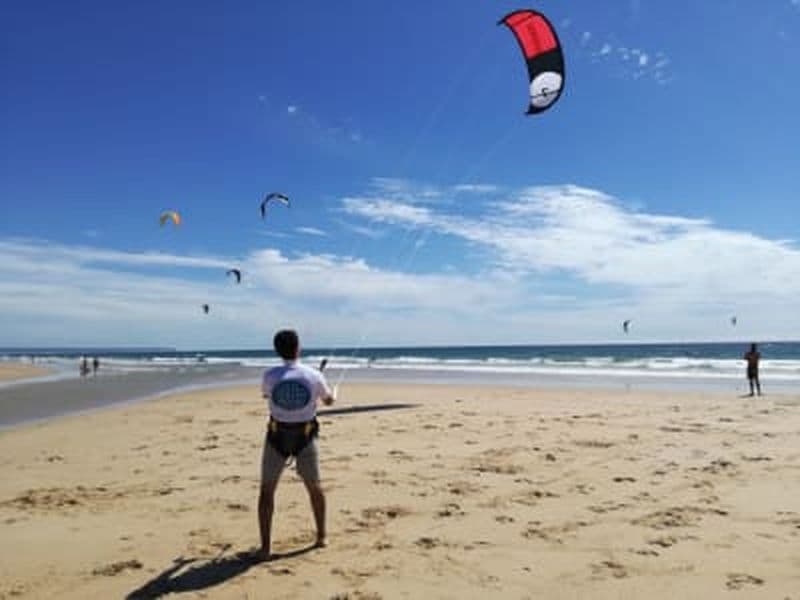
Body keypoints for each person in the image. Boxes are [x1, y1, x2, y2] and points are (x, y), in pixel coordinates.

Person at [257, 329, 335, 561]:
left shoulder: (269, 375)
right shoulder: (313, 375)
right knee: (314, 486)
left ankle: (265, 548)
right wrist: (331, 396)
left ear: (277, 350)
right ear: (298, 347)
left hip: (278, 435)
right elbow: (328, 401)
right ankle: (321, 536)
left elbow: (267, 396)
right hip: (303, 436)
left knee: (267, 490)